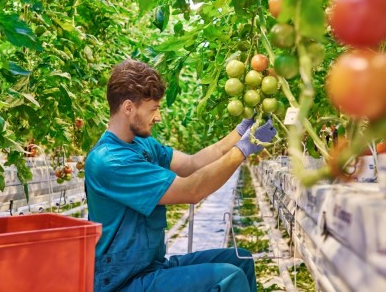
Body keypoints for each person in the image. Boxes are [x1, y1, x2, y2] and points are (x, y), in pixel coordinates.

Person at [85, 59, 276, 292]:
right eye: (153, 109)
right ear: (128, 108)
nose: (158, 117)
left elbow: (192, 163)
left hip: (149, 267)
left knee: (241, 260)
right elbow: (191, 190)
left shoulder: (143, 145)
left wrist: (241, 132)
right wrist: (243, 150)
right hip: (122, 282)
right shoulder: (110, 161)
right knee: (227, 277)